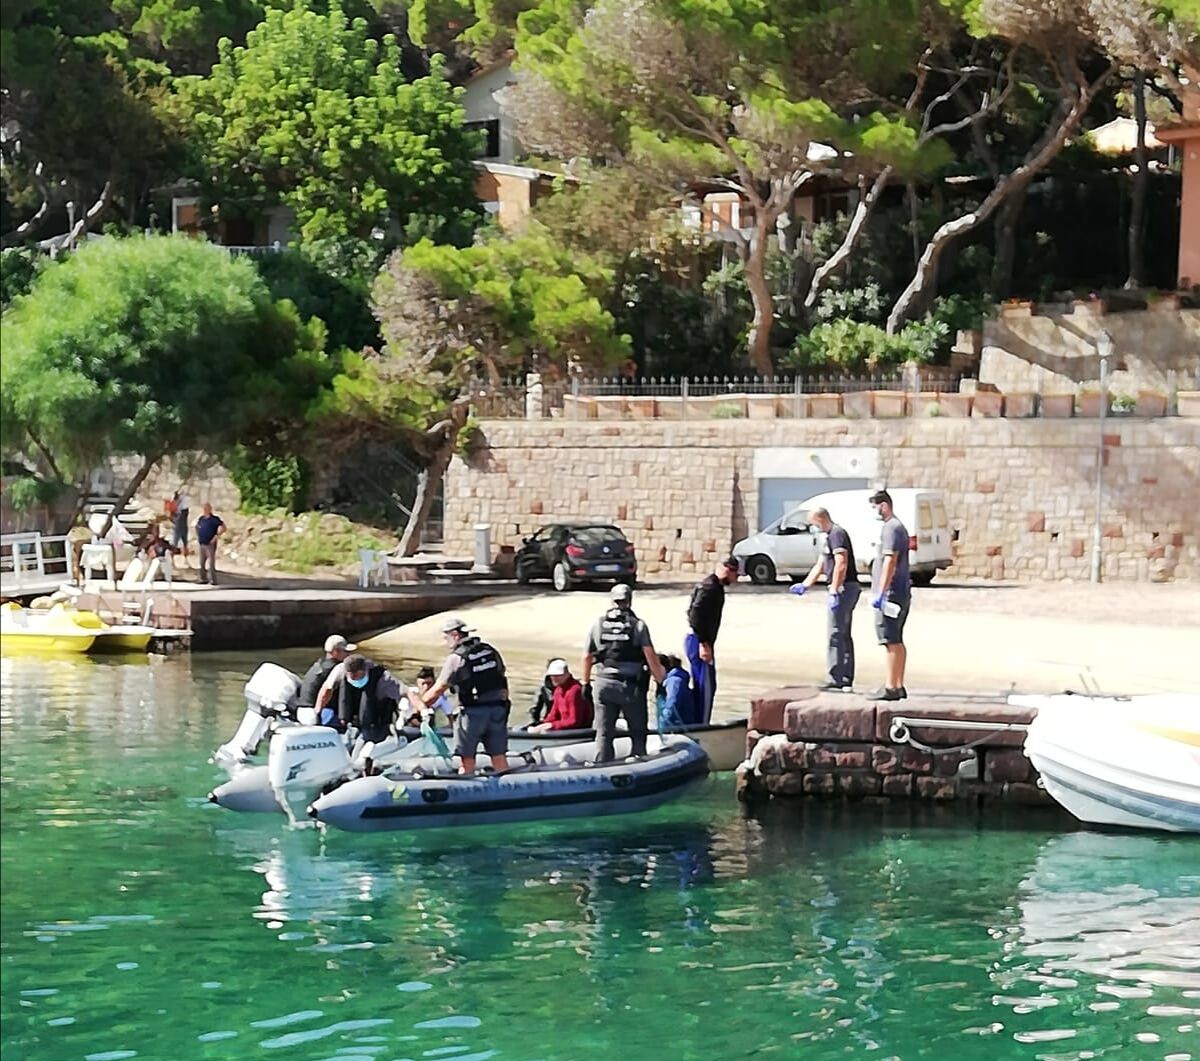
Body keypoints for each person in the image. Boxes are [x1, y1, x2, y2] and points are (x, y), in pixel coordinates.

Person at [581, 583, 666, 763]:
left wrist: (585, 683)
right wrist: (660, 682)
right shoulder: (638, 625)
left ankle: (602, 767)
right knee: (637, 732)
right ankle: (638, 764)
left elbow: (587, 656)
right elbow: (650, 656)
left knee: (604, 733)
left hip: (603, 684)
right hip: (630, 687)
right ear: (630, 601)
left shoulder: (598, 624)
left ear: (612, 601)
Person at [421, 617, 510, 774]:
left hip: (472, 713)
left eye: (446, 637)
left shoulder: (457, 658)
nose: (445, 641)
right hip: (498, 709)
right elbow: (501, 676)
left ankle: (467, 781)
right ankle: (506, 782)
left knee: (466, 758)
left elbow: (439, 688)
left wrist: (420, 704)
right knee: (499, 756)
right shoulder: (490, 650)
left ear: (455, 635)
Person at [789, 507, 863, 691]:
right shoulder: (829, 537)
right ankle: (845, 677)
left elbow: (841, 563)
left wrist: (835, 590)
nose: (812, 528)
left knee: (836, 633)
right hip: (843, 588)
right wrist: (805, 584)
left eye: (813, 523)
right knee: (842, 633)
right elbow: (821, 564)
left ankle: (836, 678)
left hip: (845, 588)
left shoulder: (837, 534)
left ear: (821, 519)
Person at [867, 489, 911, 702]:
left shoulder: (891, 528)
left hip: (891, 594)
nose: (873, 511)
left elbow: (890, 560)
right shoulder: (897, 527)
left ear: (883, 506)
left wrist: (881, 592)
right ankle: (898, 684)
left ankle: (891, 686)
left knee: (890, 640)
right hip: (900, 592)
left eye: (874, 506)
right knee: (896, 640)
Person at [684, 557, 740, 723]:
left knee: (703, 683)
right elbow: (694, 615)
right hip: (699, 641)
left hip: (699, 640)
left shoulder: (713, 586)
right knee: (706, 687)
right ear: (728, 570)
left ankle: (697, 721)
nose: (736, 580)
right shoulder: (709, 587)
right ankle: (702, 724)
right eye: (736, 575)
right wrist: (703, 643)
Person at [314, 652, 406, 743]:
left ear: (365, 670)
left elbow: (405, 692)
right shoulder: (341, 669)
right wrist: (317, 712)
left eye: (357, 675)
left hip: (375, 722)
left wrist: (410, 716)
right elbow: (326, 689)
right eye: (351, 676)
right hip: (351, 722)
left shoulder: (383, 677)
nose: (354, 678)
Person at [290, 634, 356, 721]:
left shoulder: (319, 664)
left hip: (301, 710)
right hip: (313, 713)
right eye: (345, 651)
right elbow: (329, 692)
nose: (349, 655)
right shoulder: (336, 668)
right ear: (335, 652)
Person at [529, 659, 592, 733]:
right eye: (552, 675)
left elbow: (574, 721)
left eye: (558, 675)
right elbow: (553, 715)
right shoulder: (558, 690)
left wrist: (552, 725)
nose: (554, 678)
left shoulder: (575, 690)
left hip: (578, 731)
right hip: (564, 728)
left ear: (567, 674)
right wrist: (543, 724)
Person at [654, 654, 697, 731]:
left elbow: (672, 707)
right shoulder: (670, 682)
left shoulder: (674, 682)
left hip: (679, 728)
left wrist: (662, 728)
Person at [195, 503, 225, 585]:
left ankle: (213, 580)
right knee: (202, 562)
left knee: (211, 562)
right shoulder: (201, 518)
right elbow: (197, 526)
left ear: (210, 509)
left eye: (206, 508)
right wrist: (198, 534)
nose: (205, 510)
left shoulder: (214, 519)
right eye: (204, 508)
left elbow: (223, 527)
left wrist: (216, 536)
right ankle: (203, 578)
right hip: (202, 543)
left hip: (210, 543)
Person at [527, 659, 558, 726]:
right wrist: (535, 724)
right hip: (548, 722)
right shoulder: (543, 689)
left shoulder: (573, 688)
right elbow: (534, 710)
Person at [170, 489, 191, 566]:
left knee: (184, 544)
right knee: (176, 544)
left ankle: (185, 560)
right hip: (179, 527)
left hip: (181, 527)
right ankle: (173, 561)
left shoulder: (181, 507)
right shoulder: (177, 508)